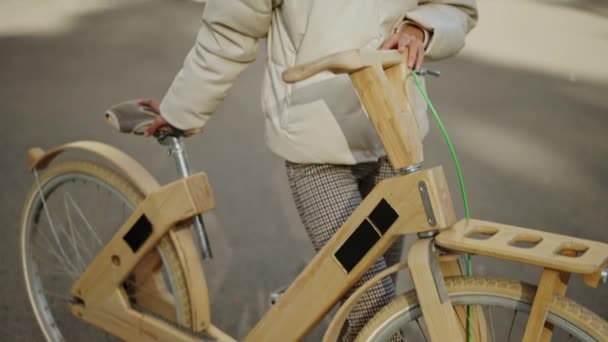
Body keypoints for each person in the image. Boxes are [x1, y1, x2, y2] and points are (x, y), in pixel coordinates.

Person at [142, 0, 478, 340]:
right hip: (316, 144)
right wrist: (181, 110)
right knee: (371, 300)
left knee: (376, 299)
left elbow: (455, 6)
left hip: (396, 137)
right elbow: (230, 30)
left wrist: (419, 28)